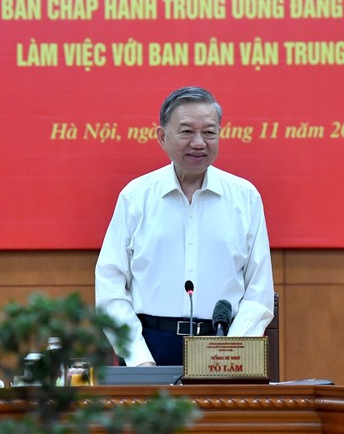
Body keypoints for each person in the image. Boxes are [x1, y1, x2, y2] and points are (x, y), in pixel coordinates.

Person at [95, 86, 274, 366]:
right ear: (162, 137)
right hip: (149, 345)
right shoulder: (135, 197)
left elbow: (259, 292)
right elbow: (110, 286)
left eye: (209, 132)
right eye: (187, 132)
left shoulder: (245, 197)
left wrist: (230, 355)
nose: (199, 142)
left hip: (222, 344)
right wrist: (139, 358)